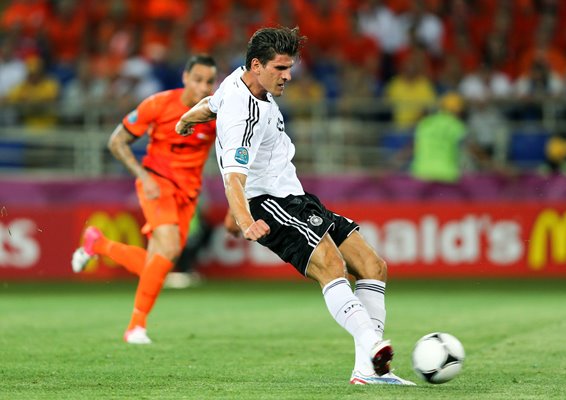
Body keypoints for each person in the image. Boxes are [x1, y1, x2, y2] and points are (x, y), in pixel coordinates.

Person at [175, 27, 415, 386]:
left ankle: (368, 373)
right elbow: (233, 179)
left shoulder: (235, 84)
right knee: (331, 265)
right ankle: (372, 345)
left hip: (296, 198)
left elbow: (211, 104)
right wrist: (244, 220)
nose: (288, 76)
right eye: (280, 68)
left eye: (289, 68)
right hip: (269, 203)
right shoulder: (244, 115)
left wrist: (185, 120)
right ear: (257, 65)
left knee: (372, 266)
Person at [71, 54, 238, 344]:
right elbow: (117, 141)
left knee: (160, 262)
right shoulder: (158, 104)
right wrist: (143, 176)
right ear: (185, 78)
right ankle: (135, 327)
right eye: (197, 80)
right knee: (169, 247)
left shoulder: (215, 115)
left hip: (189, 193)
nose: (202, 87)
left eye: (209, 82)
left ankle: (97, 243)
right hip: (157, 182)